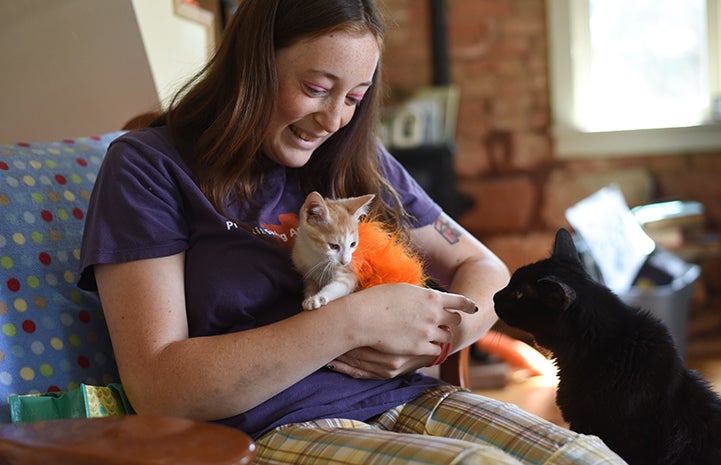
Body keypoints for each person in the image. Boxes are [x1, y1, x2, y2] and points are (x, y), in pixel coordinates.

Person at [78, 0, 627, 463]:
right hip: (274, 425)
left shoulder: (352, 161)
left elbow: (483, 269)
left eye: (354, 98)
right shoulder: (148, 167)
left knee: (589, 457)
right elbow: (157, 388)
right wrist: (354, 320)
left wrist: (432, 342)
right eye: (317, 87)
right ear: (253, 63)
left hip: (410, 395)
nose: (335, 119)